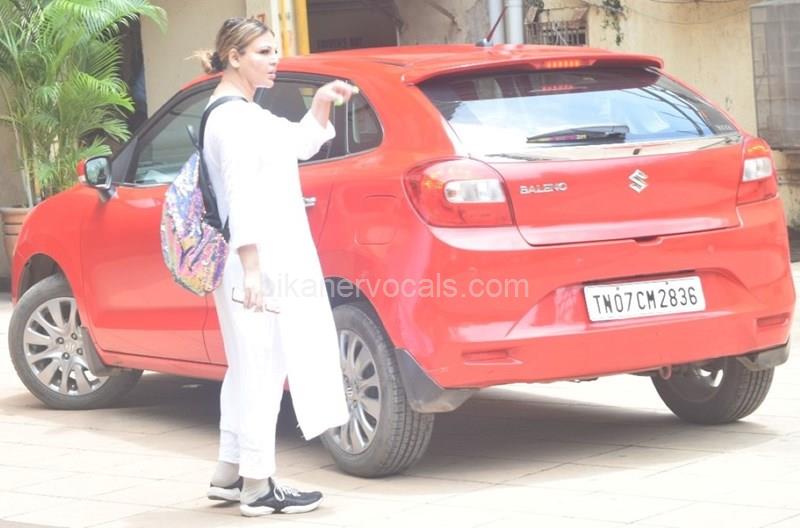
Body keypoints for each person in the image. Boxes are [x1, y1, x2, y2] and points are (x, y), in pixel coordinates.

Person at [195, 17, 354, 517]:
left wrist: (321, 102)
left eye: (274, 50)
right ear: (234, 56)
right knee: (262, 368)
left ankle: (229, 474)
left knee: (248, 366)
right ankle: (258, 486)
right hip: (257, 265)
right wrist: (253, 270)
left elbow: (297, 143)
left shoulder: (240, 113)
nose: (274, 59)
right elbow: (240, 195)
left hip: (254, 262)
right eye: (263, 51)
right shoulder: (235, 120)